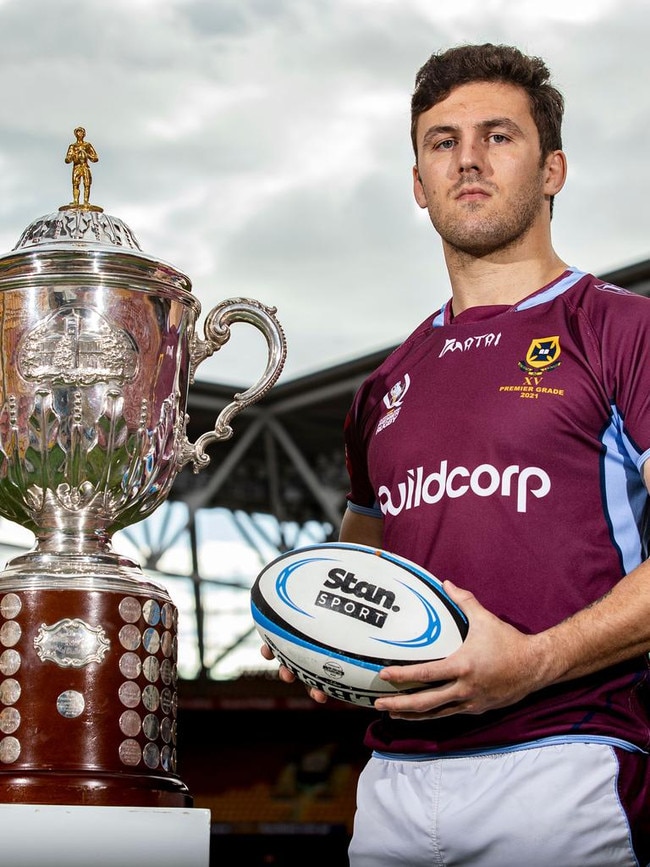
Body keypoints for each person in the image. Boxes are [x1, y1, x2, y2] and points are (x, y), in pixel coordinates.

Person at [262, 43, 650, 865]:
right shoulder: (384, 386)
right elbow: (357, 562)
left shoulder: (619, 330)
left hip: (568, 765)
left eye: (498, 136)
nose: (467, 157)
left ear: (553, 170)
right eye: (442, 142)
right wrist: (308, 622)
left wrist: (535, 661)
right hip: (393, 784)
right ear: (417, 182)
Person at [64, 127, 99, 207]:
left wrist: (86, 154)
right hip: (76, 167)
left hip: (85, 166)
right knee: (75, 184)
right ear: (75, 134)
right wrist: (73, 155)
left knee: (87, 184)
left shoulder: (87, 145)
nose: (79, 134)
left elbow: (95, 158)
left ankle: (86, 201)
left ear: (84, 134)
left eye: (81, 132)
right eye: (78, 132)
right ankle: (76, 201)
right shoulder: (73, 146)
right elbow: (67, 160)